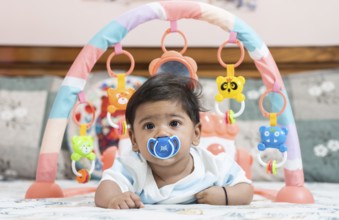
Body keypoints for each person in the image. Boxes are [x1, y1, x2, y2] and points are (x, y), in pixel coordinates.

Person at [95, 73, 253, 209]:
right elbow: (105, 188)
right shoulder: (132, 167)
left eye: (174, 123)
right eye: (149, 126)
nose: (162, 133)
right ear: (134, 140)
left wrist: (225, 196)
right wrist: (114, 199)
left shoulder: (212, 165)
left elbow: (246, 190)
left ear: (196, 134)